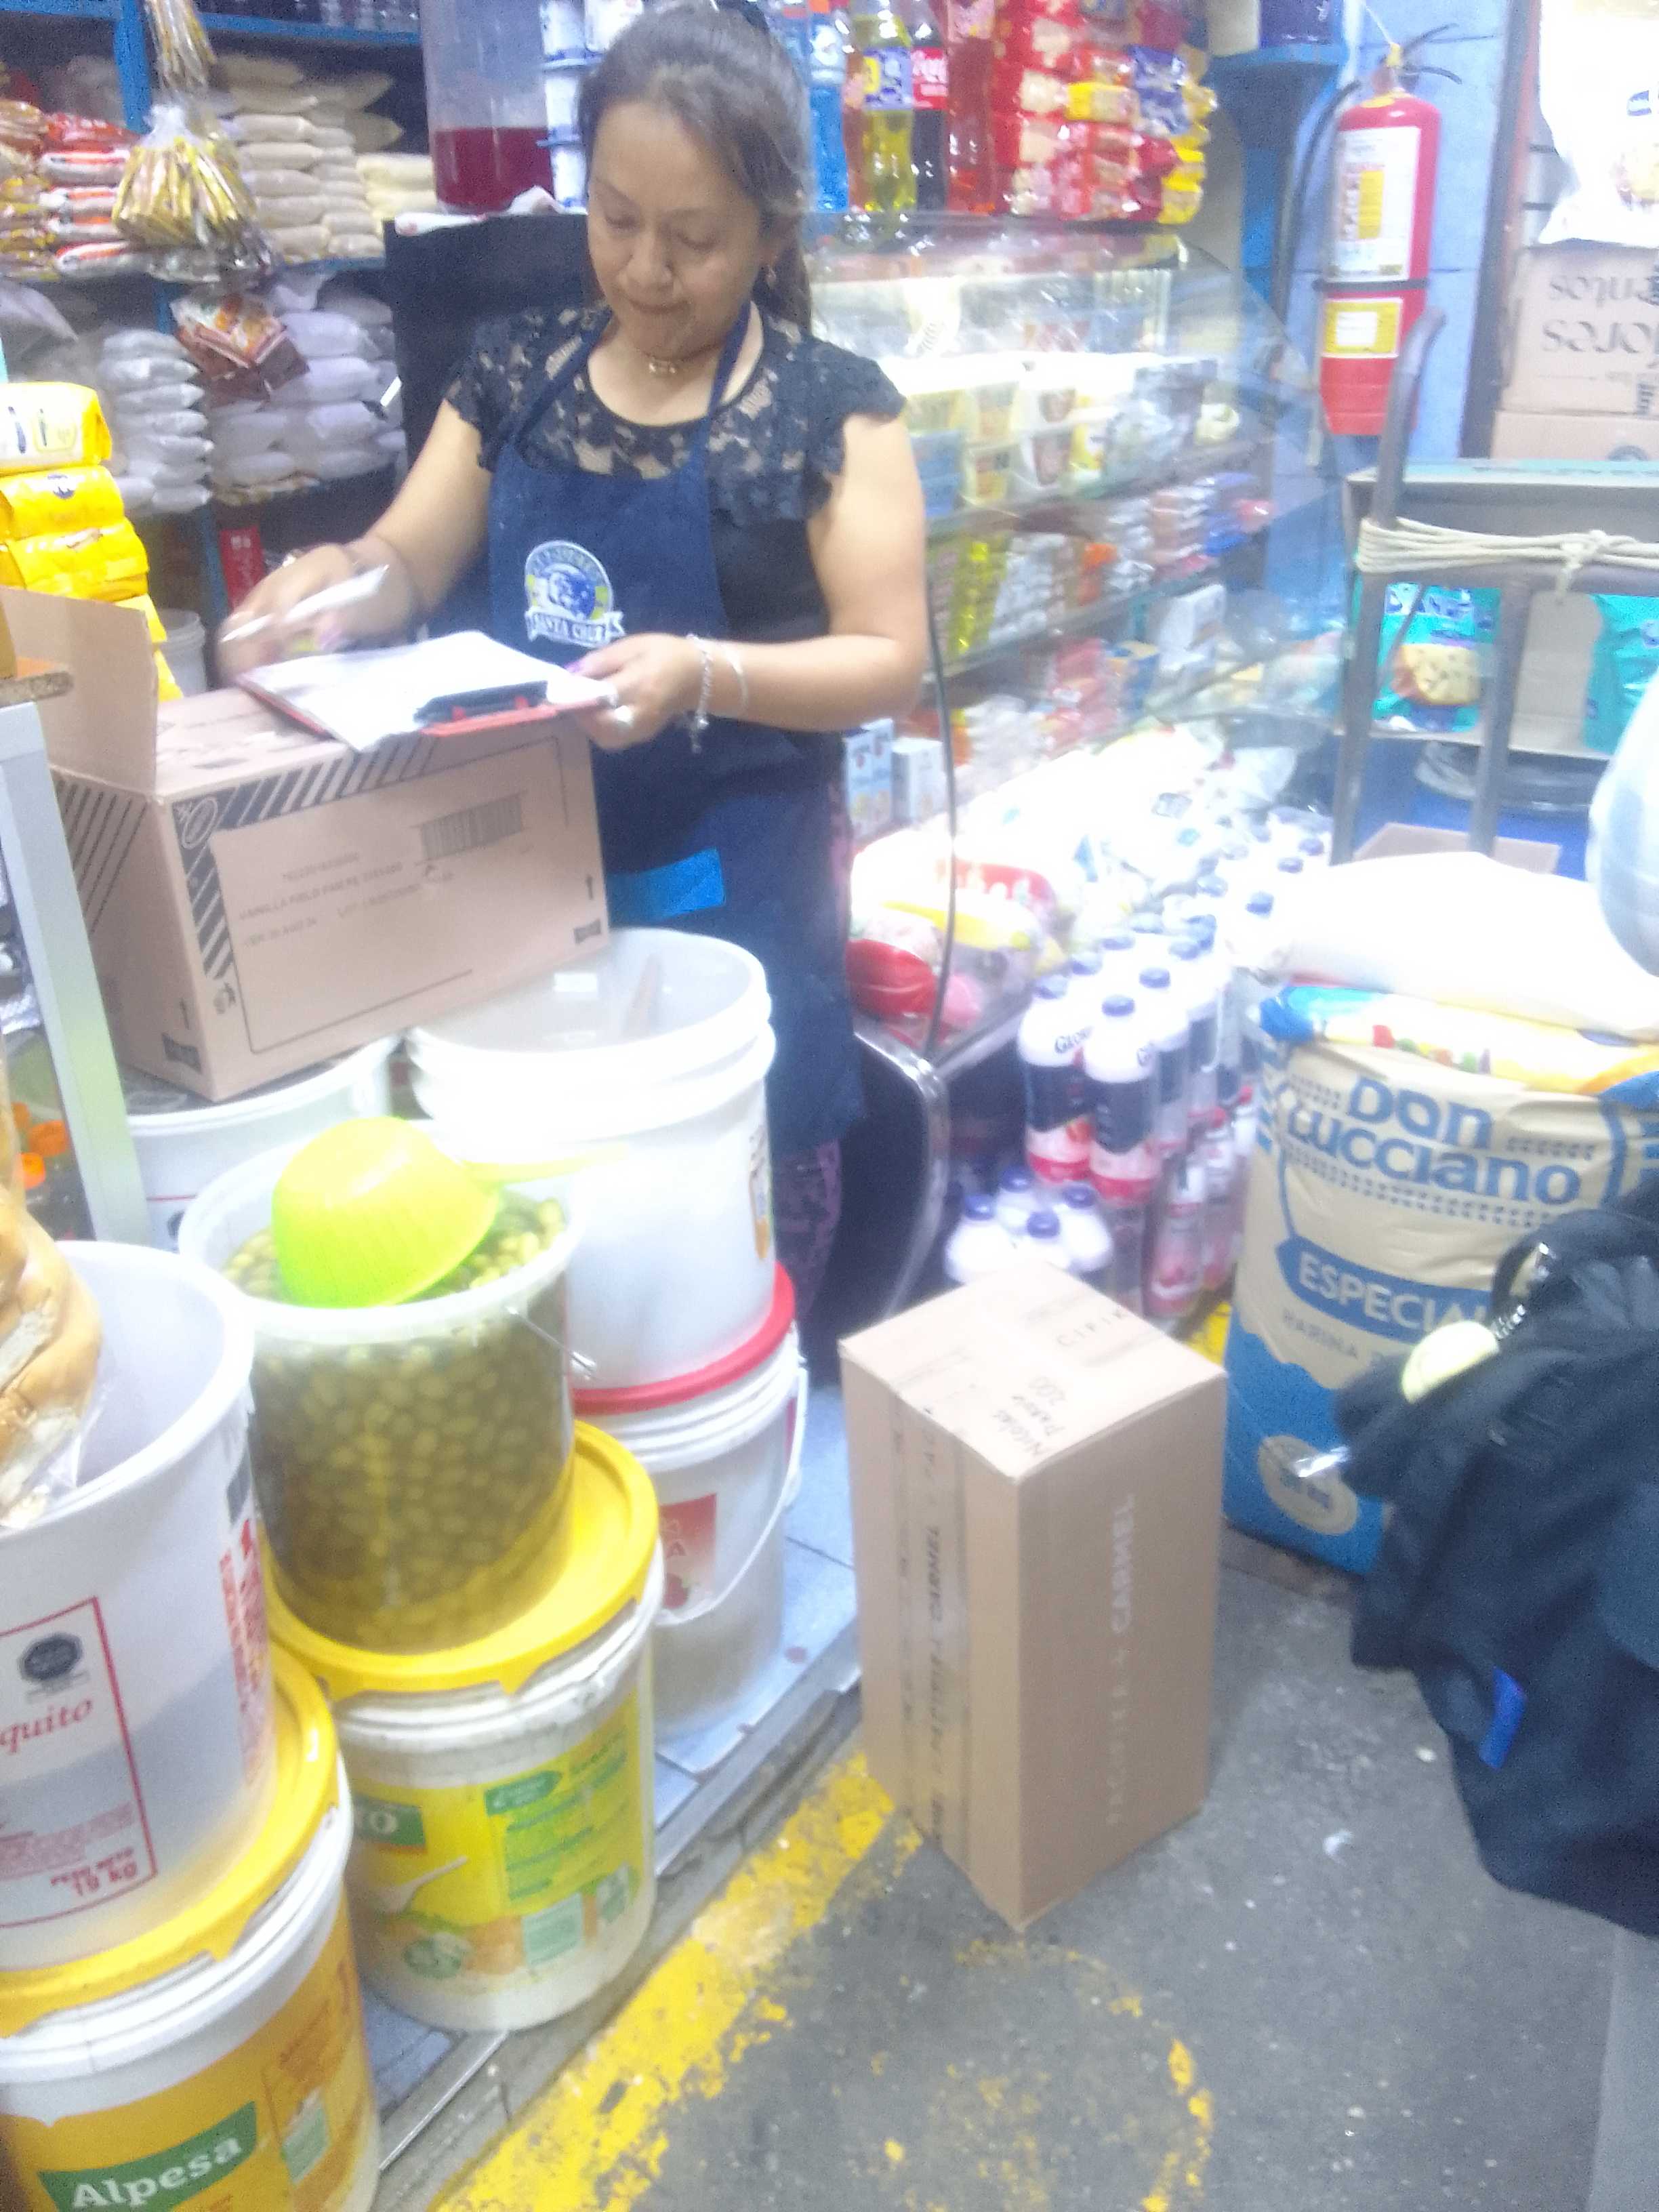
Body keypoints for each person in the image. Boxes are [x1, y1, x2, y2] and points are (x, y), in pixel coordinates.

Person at [220, 1, 928, 1317]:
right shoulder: (515, 373)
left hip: (739, 895)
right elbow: (409, 556)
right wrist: (339, 580)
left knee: (727, 1229)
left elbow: (891, 660)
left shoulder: (830, 408)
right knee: (551, 1223)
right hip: (524, 887)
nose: (646, 268)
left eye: (694, 238)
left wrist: (702, 672)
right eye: (616, 219)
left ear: (771, 235)